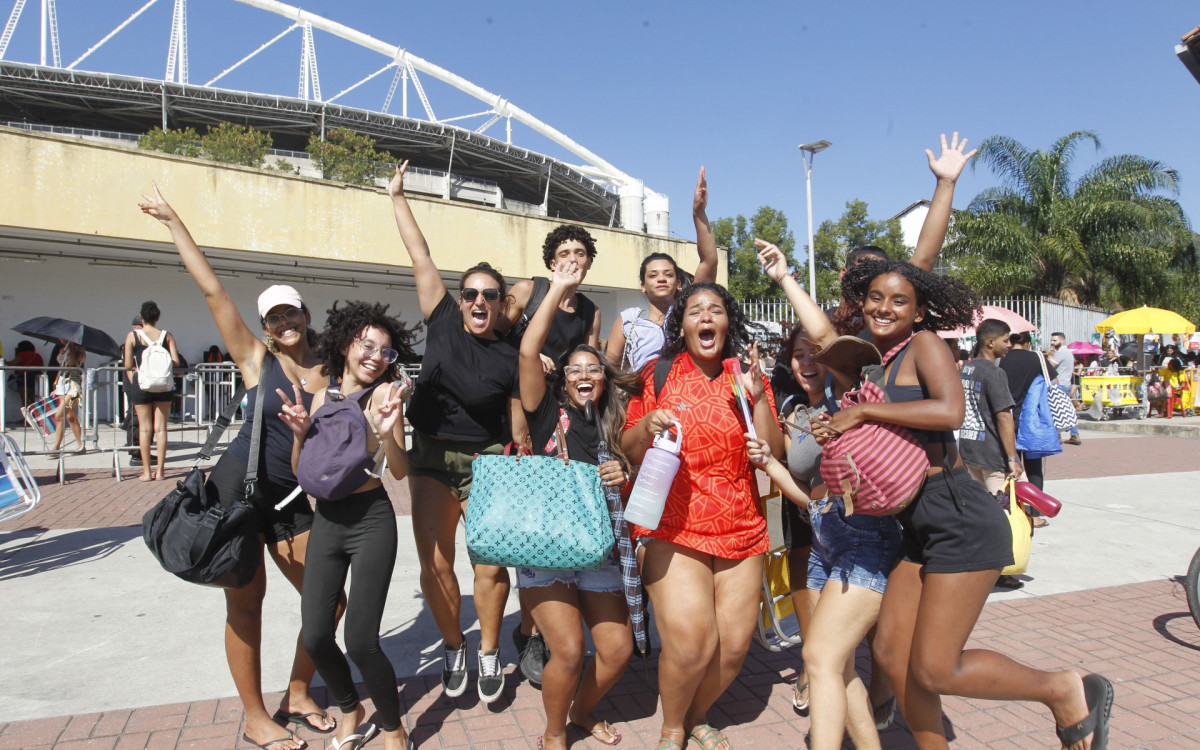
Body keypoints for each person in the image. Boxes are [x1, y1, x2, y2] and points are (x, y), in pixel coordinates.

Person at [800, 258, 1111, 750]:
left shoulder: (922, 346)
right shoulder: (871, 365)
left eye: (900, 300)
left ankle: (1063, 689)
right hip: (916, 526)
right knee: (892, 653)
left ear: (920, 311)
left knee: (937, 666)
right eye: (876, 298)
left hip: (958, 514)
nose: (885, 307)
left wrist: (861, 411)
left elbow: (951, 410)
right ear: (861, 304)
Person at [139, 183, 335, 750]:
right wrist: (175, 219)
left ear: (304, 312)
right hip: (238, 492)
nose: (284, 321)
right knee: (246, 602)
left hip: (292, 499)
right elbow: (211, 290)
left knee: (329, 598)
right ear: (267, 326)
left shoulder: (330, 368)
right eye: (273, 316)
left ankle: (299, 691)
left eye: (290, 310)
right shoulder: (257, 358)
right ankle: (255, 717)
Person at [621, 282, 785, 750]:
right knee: (693, 640)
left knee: (732, 648)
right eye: (695, 311)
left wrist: (755, 397)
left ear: (727, 322)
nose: (706, 317)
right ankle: (673, 726)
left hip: (740, 524)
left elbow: (775, 452)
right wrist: (646, 426)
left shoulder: (745, 374)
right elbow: (629, 449)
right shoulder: (660, 373)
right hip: (672, 523)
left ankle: (696, 713)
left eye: (716, 310)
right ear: (684, 324)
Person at [756, 243, 903, 749]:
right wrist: (770, 462)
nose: (816, 358)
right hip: (824, 537)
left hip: (865, 538)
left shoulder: (871, 379)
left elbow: (824, 335)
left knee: (820, 660)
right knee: (832, 663)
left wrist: (784, 279)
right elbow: (811, 495)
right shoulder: (814, 405)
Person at [388, 161, 524, 704]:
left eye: (489, 295)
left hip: (488, 458)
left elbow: (519, 416)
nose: (477, 302)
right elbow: (420, 253)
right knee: (435, 563)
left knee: (490, 561)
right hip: (431, 458)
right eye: (470, 292)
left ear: (499, 304)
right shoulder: (441, 316)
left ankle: (489, 650)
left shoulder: (513, 354)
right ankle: (453, 645)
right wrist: (398, 196)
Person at [279, 301, 417, 750]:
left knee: (360, 640)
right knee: (317, 635)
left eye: (386, 351)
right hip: (328, 523)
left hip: (371, 520)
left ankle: (393, 726)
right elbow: (305, 470)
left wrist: (383, 430)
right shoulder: (321, 398)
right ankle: (349, 706)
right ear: (346, 344)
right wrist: (301, 435)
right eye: (368, 345)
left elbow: (398, 470)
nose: (376, 356)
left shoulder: (384, 396)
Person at [516, 259, 637, 749]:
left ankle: (583, 710)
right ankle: (553, 733)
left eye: (594, 370)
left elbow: (641, 475)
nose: (585, 375)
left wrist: (623, 472)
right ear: (563, 379)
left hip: (597, 550)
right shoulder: (546, 410)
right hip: (546, 548)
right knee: (566, 650)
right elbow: (527, 352)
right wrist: (559, 288)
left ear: (603, 380)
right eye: (576, 370)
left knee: (616, 650)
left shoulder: (614, 424)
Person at [604, 169, 720, 373]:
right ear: (642, 285)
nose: (661, 279)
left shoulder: (688, 312)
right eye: (653, 275)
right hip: (647, 401)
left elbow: (709, 260)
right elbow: (610, 370)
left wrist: (698, 214)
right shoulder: (629, 320)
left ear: (678, 283)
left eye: (668, 274)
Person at [1000, 331, 1057, 528]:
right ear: (1028, 342)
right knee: (1033, 468)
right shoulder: (1036, 358)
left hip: (1006, 418)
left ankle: (1010, 510)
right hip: (1032, 421)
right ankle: (1034, 515)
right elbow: (1054, 384)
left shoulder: (1001, 358)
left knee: (1009, 465)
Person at [959, 319, 1022, 496]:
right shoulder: (994, 373)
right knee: (1005, 511)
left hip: (970, 451)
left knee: (982, 507)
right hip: (993, 456)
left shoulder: (965, 369)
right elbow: (1004, 416)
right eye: (1006, 340)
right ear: (990, 342)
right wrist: (1013, 458)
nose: (1009, 345)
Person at [123, 301, 180, 481]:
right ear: (158, 317)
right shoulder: (166, 336)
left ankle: (146, 472)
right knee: (161, 428)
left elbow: (127, 365)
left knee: (145, 429)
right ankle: (161, 472)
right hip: (163, 385)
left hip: (142, 384)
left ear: (141, 317)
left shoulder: (132, 336)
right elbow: (176, 361)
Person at [50, 341, 85, 452]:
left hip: (73, 383)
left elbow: (73, 362)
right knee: (70, 416)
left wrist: (68, 352)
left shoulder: (78, 350)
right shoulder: (61, 348)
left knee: (59, 415)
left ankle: (56, 446)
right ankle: (81, 445)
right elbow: (61, 365)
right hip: (62, 382)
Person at [1048, 332, 1080, 445]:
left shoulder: (1061, 352)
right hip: (1065, 383)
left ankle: (1058, 435)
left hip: (1059, 384)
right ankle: (1074, 434)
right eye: (1052, 340)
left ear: (1062, 340)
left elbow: (1049, 366)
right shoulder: (1067, 352)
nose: (1052, 343)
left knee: (1055, 410)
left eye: (1055, 340)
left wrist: (1050, 355)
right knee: (1067, 410)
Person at [5, 339, 44, 405]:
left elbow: (12, 363)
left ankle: (26, 414)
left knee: (25, 400)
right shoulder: (37, 355)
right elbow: (41, 366)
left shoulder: (22, 354)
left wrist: (5, 361)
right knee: (34, 399)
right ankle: (35, 414)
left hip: (26, 377)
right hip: (37, 378)